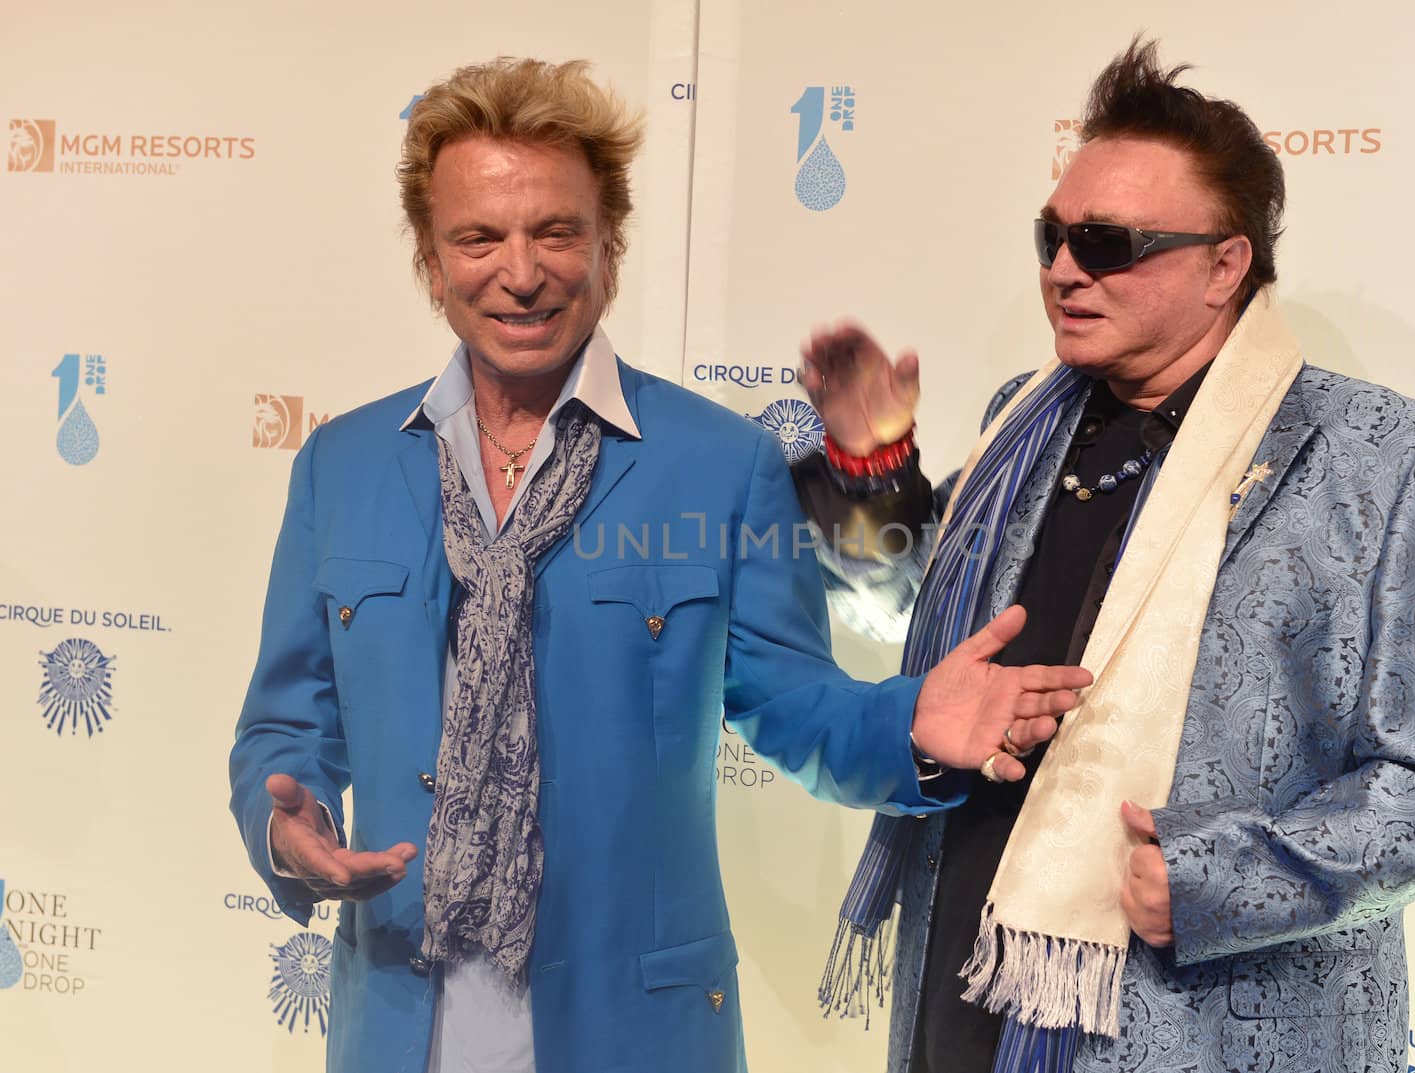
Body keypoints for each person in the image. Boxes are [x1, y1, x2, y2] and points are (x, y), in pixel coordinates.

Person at [227, 57, 1089, 1073]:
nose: (520, 270)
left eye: (555, 231)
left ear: (608, 248)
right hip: (396, 1022)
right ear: (430, 259)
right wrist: (293, 835)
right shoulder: (345, 462)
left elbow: (798, 708)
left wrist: (913, 727)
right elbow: (286, 723)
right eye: (478, 237)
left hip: (637, 1032)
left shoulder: (716, 465)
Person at [798, 38, 1415, 1073]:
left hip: (1206, 1018)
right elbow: (903, 617)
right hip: (969, 967)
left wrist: (1219, 877)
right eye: (1051, 235)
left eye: (1107, 242)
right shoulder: (1022, 421)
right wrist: (868, 474)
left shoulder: (1391, 459)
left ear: (1226, 262)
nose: (1061, 270)